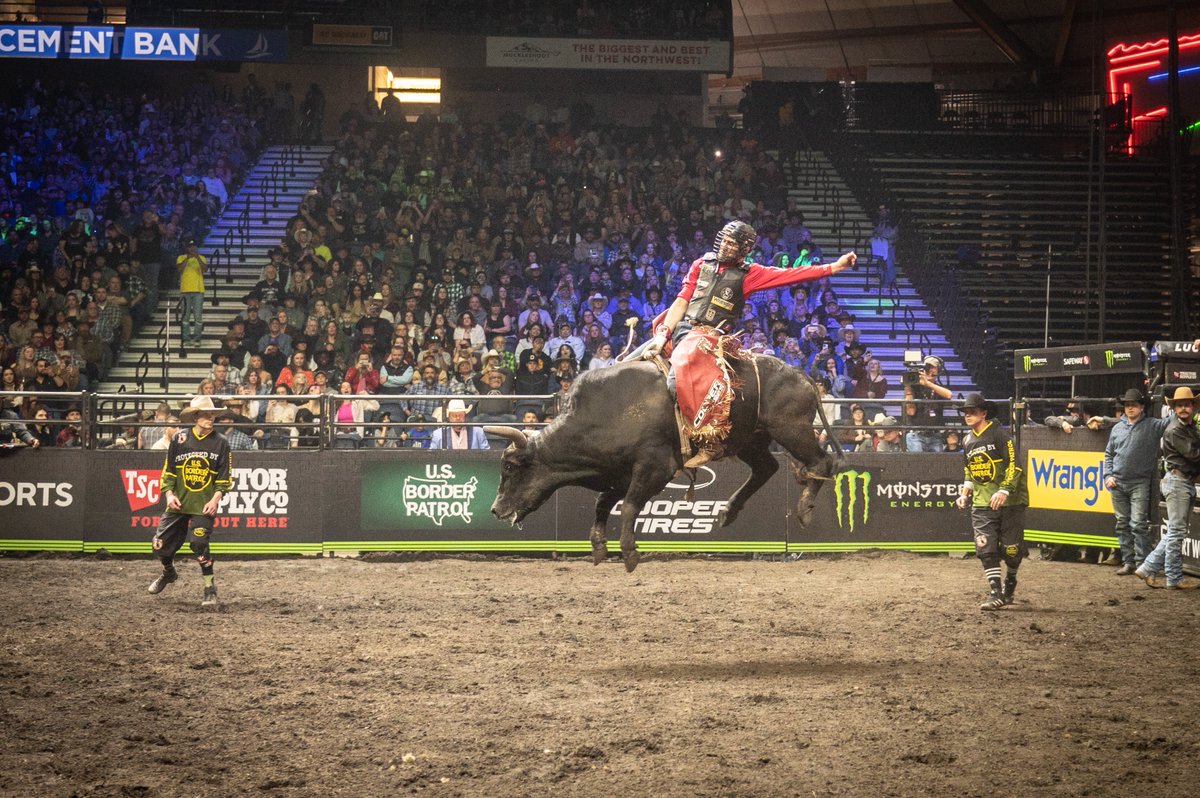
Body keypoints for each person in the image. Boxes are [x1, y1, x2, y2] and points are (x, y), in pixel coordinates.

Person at [642, 220, 855, 467]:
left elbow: (790, 275)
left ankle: (706, 441)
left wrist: (835, 267)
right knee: (636, 360)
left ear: (743, 249)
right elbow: (681, 300)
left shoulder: (750, 273)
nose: (726, 246)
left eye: (733, 244)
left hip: (709, 335)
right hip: (680, 327)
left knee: (674, 379)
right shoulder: (700, 264)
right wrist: (661, 335)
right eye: (725, 241)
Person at [148, 396, 232, 608]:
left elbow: (224, 476)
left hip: (203, 505)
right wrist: (169, 494)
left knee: (199, 543)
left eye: (212, 415)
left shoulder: (221, 442)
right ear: (195, 416)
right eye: (206, 414)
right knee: (159, 545)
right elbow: (169, 471)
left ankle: (209, 588)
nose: (210, 418)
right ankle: (169, 572)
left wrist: (215, 498)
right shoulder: (180, 439)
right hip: (178, 503)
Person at [955, 393, 1028, 611]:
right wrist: (964, 493)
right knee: (984, 546)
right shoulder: (967, 440)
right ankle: (995, 592)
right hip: (981, 501)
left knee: (1012, 551)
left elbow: (1015, 466)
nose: (968, 415)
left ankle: (1010, 581)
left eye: (973, 411)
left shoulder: (1000, 436)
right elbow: (969, 471)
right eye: (966, 412)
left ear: (984, 413)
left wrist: (1004, 490)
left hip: (1010, 502)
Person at [1135, 387, 1200, 590]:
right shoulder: (1176, 429)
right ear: (1174, 408)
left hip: (1182, 481)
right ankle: (1173, 578)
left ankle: (1147, 568)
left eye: (1186, 405)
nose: (1183, 408)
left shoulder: (1187, 427)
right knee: (1177, 531)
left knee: (1175, 531)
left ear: (1192, 407)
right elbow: (1195, 455)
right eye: (1179, 405)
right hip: (1179, 481)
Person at [1103, 389, 1171, 576]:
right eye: (1127, 405)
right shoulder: (1117, 428)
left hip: (1139, 482)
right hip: (1118, 482)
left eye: (1133, 405)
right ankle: (1129, 562)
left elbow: (1172, 421)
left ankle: (1142, 563)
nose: (1130, 408)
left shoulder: (1152, 425)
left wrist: (1186, 409)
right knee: (1123, 523)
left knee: (1138, 523)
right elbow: (1109, 454)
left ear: (1142, 407)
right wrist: (1107, 475)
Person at [905, 356, 952, 453]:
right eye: (927, 367)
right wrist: (908, 388)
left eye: (933, 368)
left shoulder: (938, 388)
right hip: (916, 435)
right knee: (918, 464)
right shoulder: (914, 387)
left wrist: (928, 384)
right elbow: (910, 411)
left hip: (935, 435)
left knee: (937, 465)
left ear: (938, 370)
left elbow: (949, 395)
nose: (930, 370)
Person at [177, 238, 206, 347]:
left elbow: (205, 269)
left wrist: (197, 257)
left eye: (193, 247)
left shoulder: (202, 258)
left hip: (199, 290)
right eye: (190, 247)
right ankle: (186, 338)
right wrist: (187, 258)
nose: (192, 249)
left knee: (198, 316)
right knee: (185, 316)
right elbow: (179, 269)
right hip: (185, 290)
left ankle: (197, 339)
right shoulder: (181, 257)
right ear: (186, 248)